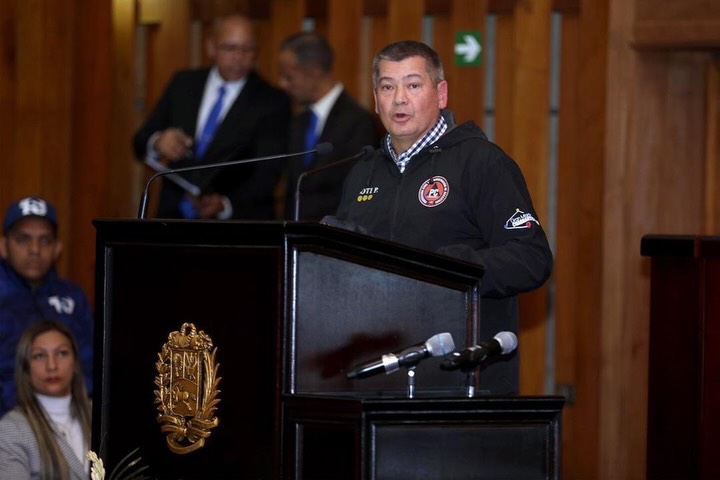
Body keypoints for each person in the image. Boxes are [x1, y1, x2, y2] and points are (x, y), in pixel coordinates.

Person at [331, 41, 553, 394]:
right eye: (387, 87)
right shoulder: (362, 171)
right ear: (375, 100)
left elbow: (532, 258)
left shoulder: (481, 162)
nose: (399, 99)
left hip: (461, 377)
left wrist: (451, 268)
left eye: (413, 85)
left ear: (441, 93)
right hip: (379, 377)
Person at [133, 14, 292, 220]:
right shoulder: (184, 84)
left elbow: (268, 171)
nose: (239, 57)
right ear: (211, 47)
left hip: (235, 222)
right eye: (230, 48)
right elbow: (140, 140)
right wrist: (158, 142)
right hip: (172, 217)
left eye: (248, 49)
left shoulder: (272, 101)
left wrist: (225, 204)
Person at [0, 197, 93, 417]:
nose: (35, 249)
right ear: (3, 246)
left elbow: (94, 365)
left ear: (57, 248)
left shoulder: (73, 296)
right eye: (23, 239)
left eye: (45, 240)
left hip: (74, 416)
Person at [277, 32, 380, 221]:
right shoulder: (298, 121)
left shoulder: (358, 122)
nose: (282, 84)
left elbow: (357, 194)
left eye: (288, 76)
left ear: (312, 72)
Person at [0, 320, 92, 479]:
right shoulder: (11, 429)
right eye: (40, 356)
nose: (52, 366)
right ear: (25, 367)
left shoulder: (100, 415)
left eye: (61, 353)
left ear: (75, 362)